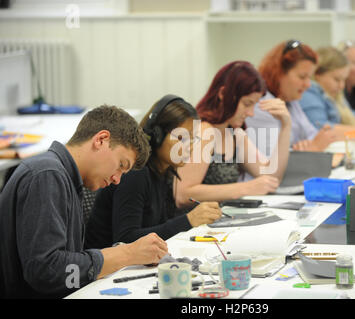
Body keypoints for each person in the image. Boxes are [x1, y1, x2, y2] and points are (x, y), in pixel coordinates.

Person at [0, 105, 168, 298]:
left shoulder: (65, 178)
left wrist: (118, 255)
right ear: (101, 140)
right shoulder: (48, 175)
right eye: (121, 165)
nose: (117, 180)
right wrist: (127, 254)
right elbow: (46, 273)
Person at [85, 95, 222, 249]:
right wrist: (188, 220)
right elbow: (125, 238)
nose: (189, 146)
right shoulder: (135, 172)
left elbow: (160, 225)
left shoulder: (164, 169)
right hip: (109, 269)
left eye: (192, 139)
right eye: (181, 138)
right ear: (157, 136)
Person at [174, 61, 291, 206]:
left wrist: (286, 127)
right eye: (247, 104)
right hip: (193, 225)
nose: (251, 113)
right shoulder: (204, 130)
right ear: (223, 94)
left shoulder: (234, 133)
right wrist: (246, 188)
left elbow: (270, 177)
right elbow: (183, 194)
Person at [245, 40, 338, 153]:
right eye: (302, 77)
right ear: (279, 73)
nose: (308, 84)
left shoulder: (290, 101)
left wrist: (310, 145)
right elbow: (271, 163)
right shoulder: (261, 106)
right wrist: (313, 148)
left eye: (309, 77)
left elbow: (311, 135)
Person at [300, 46, 355, 140]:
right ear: (318, 74)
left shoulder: (335, 95)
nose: (342, 86)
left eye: (344, 80)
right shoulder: (309, 92)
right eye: (337, 79)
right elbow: (322, 130)